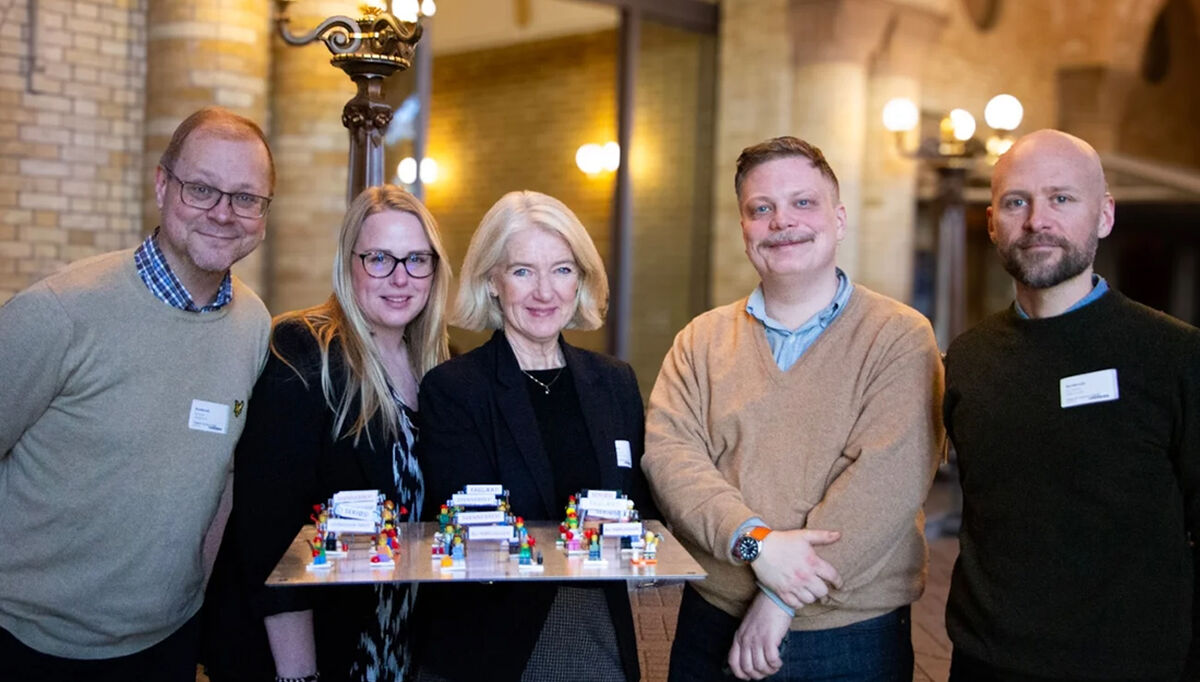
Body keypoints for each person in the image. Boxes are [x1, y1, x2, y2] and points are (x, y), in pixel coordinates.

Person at [642, 136, 944, 681]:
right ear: (744, 230)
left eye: (803, 202)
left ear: (840, 218)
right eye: (762, 208)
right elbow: (671, 457)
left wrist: (780, 600)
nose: (783, 221)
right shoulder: (701, 340)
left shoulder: (899, 337)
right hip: (712, 619)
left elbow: (885, 483)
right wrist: (754, 541)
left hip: (852, 635)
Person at [0, 107, 273, 682]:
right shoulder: (57, 315)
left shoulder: (253, 326)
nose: (224, 214)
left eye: (246, 198)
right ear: (161, 185)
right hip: (26, 643)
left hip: (167, 644)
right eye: (201, 189)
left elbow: (221, 477)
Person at [942, 129, 1199, 681]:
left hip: (1133, 666)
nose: (1037, 220)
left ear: (1104, 216)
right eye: (1017, 202)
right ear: (992, 223)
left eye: (1061, 198)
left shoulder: (1176, 356)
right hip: (986, 663)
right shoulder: (968, 361)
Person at [201, 185, 451, 682]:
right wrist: (299, 674)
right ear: (349, 262)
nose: (400, 278)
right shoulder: (303, 351)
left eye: (417, 260)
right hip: (312, 649)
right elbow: (269, 532)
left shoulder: (441, 367)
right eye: (379, 258)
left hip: (397, 641)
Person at [412, 190, 654, 682]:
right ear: (492, 281)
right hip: (494, 646)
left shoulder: (615, 383)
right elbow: (474, 531)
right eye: (523, 271)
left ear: (581, 279)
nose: (545, 292)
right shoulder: (455, 390)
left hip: (601, 638)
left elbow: (641, 510)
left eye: (562, 270)